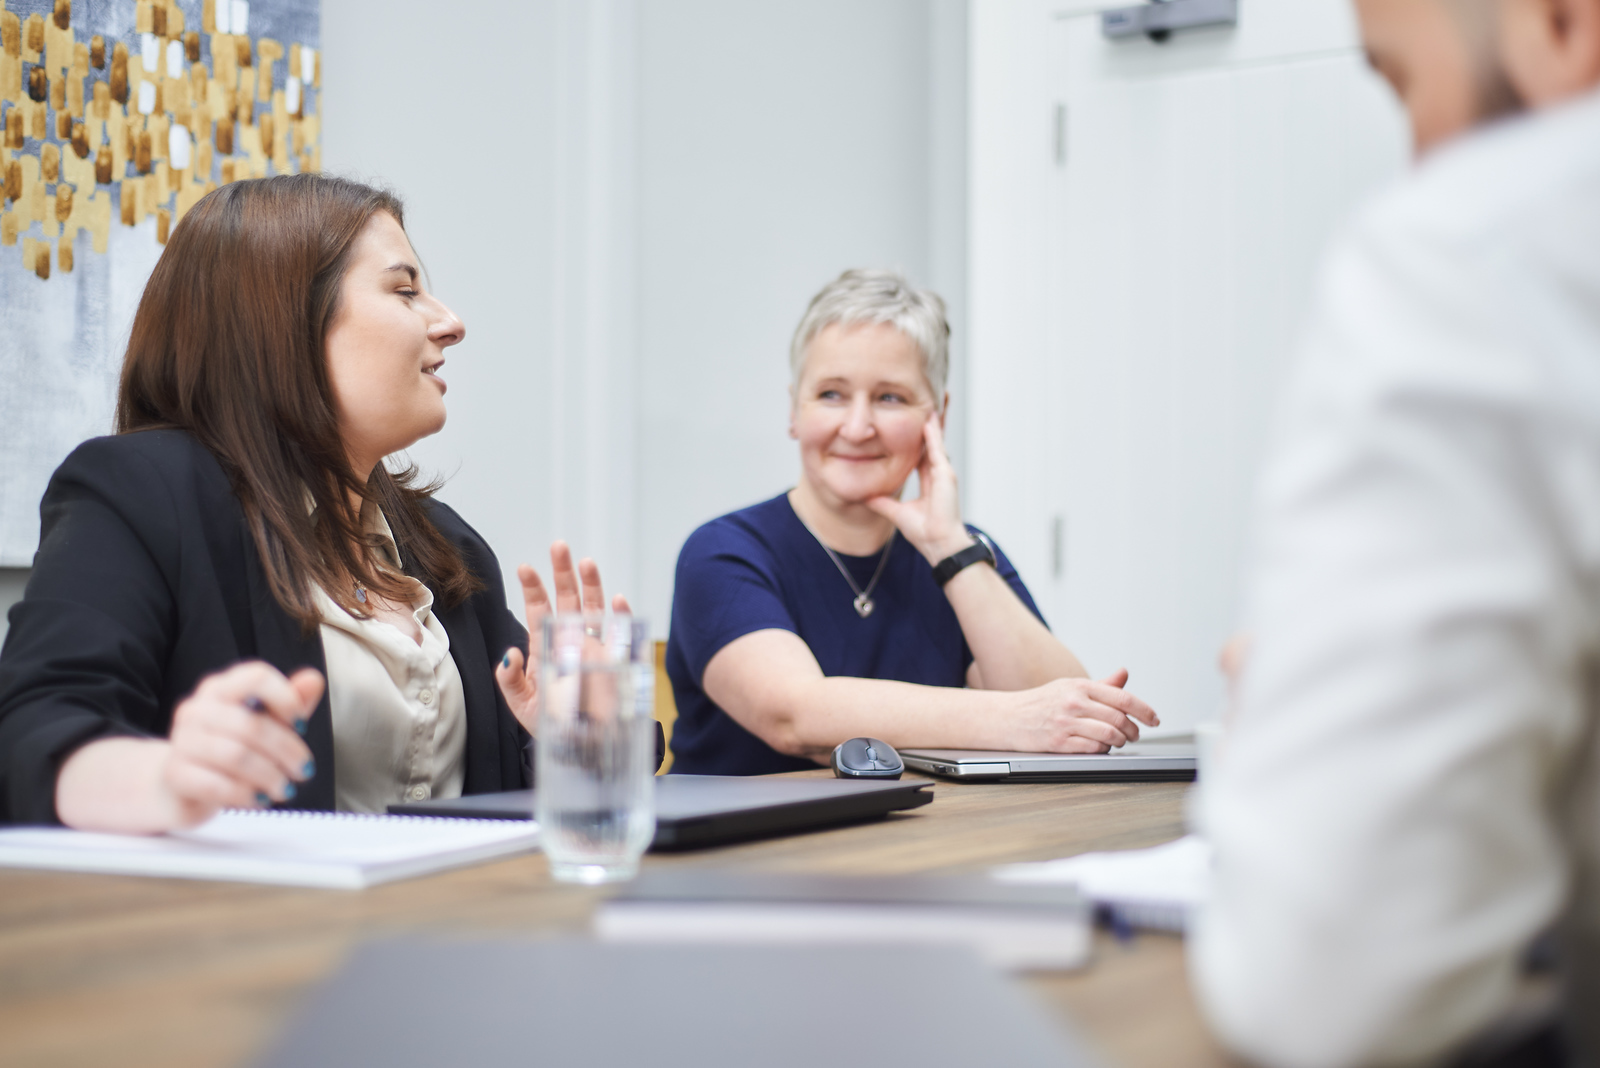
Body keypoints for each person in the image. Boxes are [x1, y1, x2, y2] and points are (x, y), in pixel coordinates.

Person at [1194, 0, 1600, 1064]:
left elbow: (1326, 990)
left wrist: (1300, 713)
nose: (1419, 163)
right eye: (833, 394)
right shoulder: (735, 551)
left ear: (1560, 26)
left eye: (1401, 83)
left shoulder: (1475, 247)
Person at [0, 174, 643, 831]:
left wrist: (578, 737)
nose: (451, 323)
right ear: (284, 322)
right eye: (404, 290)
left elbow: (523, 797)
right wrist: (165, 776)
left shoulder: (444, 546)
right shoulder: (138, 493)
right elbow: (33, 734)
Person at [665, 269, 1159, 775]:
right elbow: (796, 715)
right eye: (831, 394)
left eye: (890, 398)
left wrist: (950, 548)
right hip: (744, 850)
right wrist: (1016, 717)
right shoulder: (722, 552)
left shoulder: (963, 555)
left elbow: (1065, 715)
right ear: (795, 409)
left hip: (917, 843)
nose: (857, 428)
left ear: (937, 418)